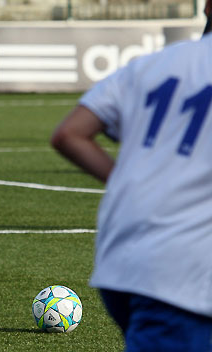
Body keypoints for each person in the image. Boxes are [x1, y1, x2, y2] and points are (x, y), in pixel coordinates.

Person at [51, 30, 212, 350]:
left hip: (121, 261)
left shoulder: (155, 64)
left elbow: (70, 133)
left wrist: (130, 184)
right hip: (183, 272)